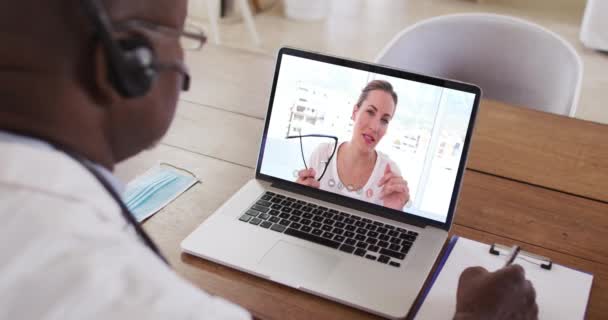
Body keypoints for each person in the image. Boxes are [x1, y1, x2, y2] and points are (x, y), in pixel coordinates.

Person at [0, 1, 537, 319]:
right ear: (128, 63)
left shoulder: (391, 173)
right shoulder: (126, 296)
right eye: (182, 37)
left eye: (386, 118)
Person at [296, 80, 410, 210]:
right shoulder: (322, 153)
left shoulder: (389, 173)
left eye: (384, 120)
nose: (375, 127)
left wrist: (395, 211)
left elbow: (390, 227)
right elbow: (304, 210)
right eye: (370, 112)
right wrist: (297, 196)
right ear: (355, 112)